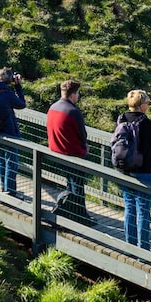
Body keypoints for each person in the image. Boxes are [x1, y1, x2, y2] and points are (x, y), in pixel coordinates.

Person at [118, 89, 151, 250]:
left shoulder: (122, 120)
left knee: (129, 206)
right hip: (144, 171)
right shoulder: (147, 124)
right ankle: (143, 248)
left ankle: (129, 246)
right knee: (143, 209)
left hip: (126, 170)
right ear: (142, 105)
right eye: (147, 103)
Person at [46, 79, 94, 226]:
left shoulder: (53, 107)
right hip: (73, 154)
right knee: (78, 186)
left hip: (57, 152)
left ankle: (70, 211)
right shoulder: (74, 111)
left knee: (70, 184)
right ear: (73, 95)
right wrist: (85, 147)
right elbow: (82, 135)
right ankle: (81, 216)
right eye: (78, 93)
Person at [0, 68, 27, 197]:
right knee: (11, 162)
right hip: (9, 132)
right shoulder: (6, 93)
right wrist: (18, 86)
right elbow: (21, 104)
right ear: (10, 80)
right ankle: (11, 193)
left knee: (1, 160)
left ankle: (5, 188)